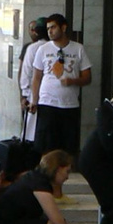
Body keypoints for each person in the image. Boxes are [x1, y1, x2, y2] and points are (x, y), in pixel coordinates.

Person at [30, 13, 91, 158]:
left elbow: (87, 77)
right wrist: (34, 99)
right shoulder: (43, 49)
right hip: (47, 102)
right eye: (48, 28)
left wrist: (73, 81)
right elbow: (36, 77)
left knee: (67, 145)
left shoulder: (78, 49)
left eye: (53, 27)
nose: (50, 31)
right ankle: (45, 171)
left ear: (63, 28)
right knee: (46, 144)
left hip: (69, 105)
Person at [17, 16, 47, 141]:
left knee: (32, 133)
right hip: (48, 98)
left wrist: (24, 95)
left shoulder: (33, 48)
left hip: (32, 97)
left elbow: (25, 73)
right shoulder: (55, 48)